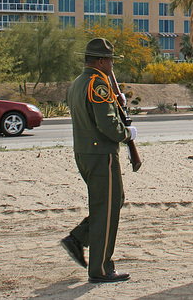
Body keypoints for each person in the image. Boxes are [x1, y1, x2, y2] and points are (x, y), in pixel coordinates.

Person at [60, 38, 137, 282]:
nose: (111, 65)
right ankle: (101, 268)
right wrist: (127, 135)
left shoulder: (79, 83)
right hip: (101, 154)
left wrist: (118, 102)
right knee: (106, 208)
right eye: (110, 60)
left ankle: (78, 238)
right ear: (101, 61)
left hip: (85, 153)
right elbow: (108, 125)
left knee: (112, 202)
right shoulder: (98, 84)